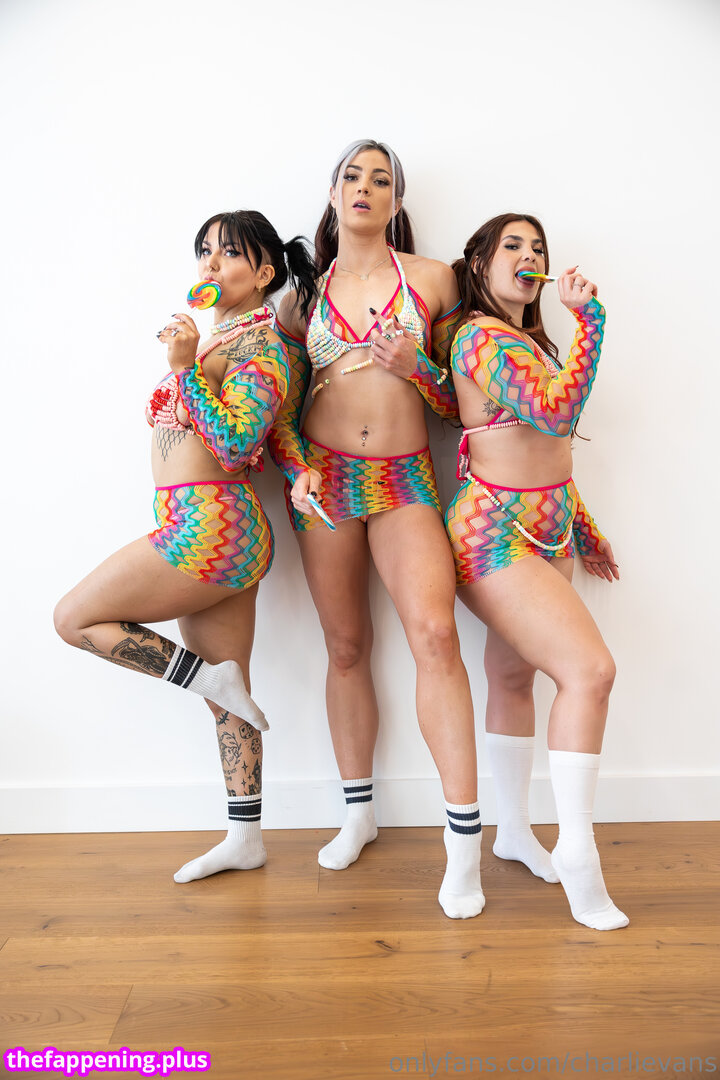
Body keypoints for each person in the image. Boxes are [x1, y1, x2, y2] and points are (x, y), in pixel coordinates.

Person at [54, 210, 315, 884]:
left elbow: (235, 441)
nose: (211, 262)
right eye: (204, 251)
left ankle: (209, 678)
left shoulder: (263, 348)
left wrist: (182, 369)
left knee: (73, 619)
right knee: (230, 697)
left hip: (212, 527)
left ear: (264, 273)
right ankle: (245, 837)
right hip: (202, 524)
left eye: (229, 252)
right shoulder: (225, 338)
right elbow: (276, 433)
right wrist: (191, 363)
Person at [268, 139, 484, 919]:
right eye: (352, 176)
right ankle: (358, 813)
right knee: (345, 647)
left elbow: (463, 405)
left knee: (436, 635)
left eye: (381, 179)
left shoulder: (432, 280)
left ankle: (464, 846)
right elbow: (278, 409)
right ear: (333, 193)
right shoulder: (300, 297)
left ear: (397, 200)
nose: (365, 187)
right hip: (324, 481)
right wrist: (297, 468)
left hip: (404, 479)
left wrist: (417, 367)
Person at [446, 212, 628, 930]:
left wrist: (582, 527)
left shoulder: (528, 343)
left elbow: (550, 457)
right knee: (591, 672)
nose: (530, 256)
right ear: (481, 265)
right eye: (512, 246)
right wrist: (592, 323)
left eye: (538, 247)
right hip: (494, 537)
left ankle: (514, 831)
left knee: (514, 677)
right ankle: (578, 852)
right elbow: (553, 416)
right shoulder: (480, 337)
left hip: (547, 532)